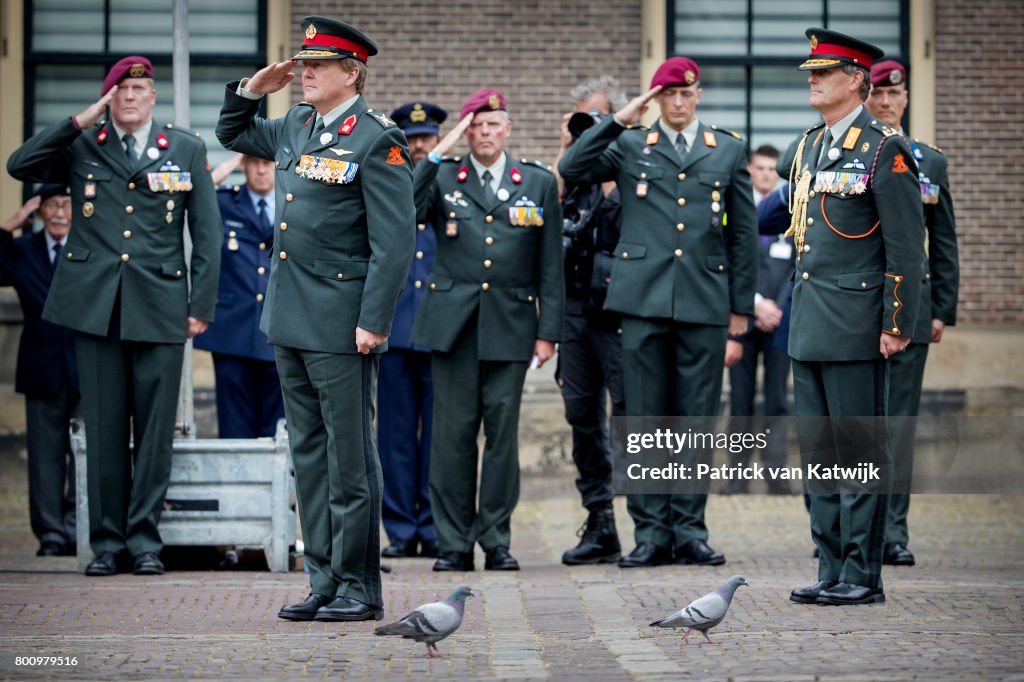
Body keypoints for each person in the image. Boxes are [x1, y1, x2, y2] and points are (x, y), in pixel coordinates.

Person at [216, 16, 414, 621]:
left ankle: (359, 587)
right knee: (308, 453)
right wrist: (254, 88)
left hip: (341, 319)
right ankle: (323, 579)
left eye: (317, 65)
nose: (304, 73)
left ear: (351, 73)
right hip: (290, 315)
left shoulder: (377, 138)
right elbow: (232, 134)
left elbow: (394, 241)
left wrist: (374, 320)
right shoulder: (297, 123)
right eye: (302, 64)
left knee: (349, 458)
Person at [7, 56, 222, 577]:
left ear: (153, 97)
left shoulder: (185, 148)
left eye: (140, 88)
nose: (130, 96)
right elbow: (20, 164)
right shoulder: (82, 146)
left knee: (154, 431)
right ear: (108, 99)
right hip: (96, 309)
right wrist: (79, 120)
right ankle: (106, 541)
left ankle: (144, 539)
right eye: (120, 90)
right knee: (102, 428)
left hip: (160, 307)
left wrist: (200, 307)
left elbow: (208, 234)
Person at [559, 57, 758, 569]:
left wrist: (740, 308)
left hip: (704, 299)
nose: (676, 103)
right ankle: (649, 531)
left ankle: (688, 529)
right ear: (654, 100)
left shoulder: (728, 149)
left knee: (695, 417)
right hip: (642, 300)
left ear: (696, 96)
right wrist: (622, 116)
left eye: (685, 94)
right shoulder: (629, 144)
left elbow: (742, 237)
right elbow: (573, 167)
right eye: (666, 95)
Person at [781, 29, 924, 606]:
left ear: (857, 80)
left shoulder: (884, 148)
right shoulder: (811, 145)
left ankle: (862, 576)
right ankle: (830, 566)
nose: (812, 79)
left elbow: (906, 248)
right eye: (811, 72)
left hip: (857, 324)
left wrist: (896, 322)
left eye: (824, 72)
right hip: (810, 323)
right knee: (819, 455)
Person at [411, 89, 563, 572]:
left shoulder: (535, 182)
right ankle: (453, 543)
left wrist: (548, 331)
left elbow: (550, 265)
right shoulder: (442, 177)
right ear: (465, 131)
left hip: (512, 326)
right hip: (453, 328)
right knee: (451, 439)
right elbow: (406, 206)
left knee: (501, 439)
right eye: (476, 126)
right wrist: (438, 150)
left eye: (493, 124)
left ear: (508, 128)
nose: (484, 134)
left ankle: (496, 539)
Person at [866, 59, 959, 567]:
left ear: (904, 99)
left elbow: (943, 241)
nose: (885, 103)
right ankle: (850, 528)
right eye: (877, 95)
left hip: (912, 309)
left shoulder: (930, 162)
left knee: (898, 425)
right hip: (855, 306)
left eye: (893, 96)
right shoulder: (851, 153)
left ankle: (892, 531)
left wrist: (942, 307)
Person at [552, 76, 627, 565]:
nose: (589, 131)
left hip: (621, 316)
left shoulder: (636, 170)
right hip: (575, 313)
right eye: (582, 122)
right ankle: (600, 521)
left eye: (598, 119)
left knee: (632, 417)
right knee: (582, 418)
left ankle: (653, 524)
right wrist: (566, 150)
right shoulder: (572, 178)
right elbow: (545, 214)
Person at [377, 101, 447, 560]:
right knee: (396, 436)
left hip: (442, 328)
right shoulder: (385, 180)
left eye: (426, 137)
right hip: (395, 328)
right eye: (412, 137)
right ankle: (401, 527)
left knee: (441, 437)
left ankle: (437, 523)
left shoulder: (454, 184)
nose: (419, 145)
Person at [0, 184, 78, 556]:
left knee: (86, 454)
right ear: (40, 211)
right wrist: (10, 225)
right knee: (45, 456)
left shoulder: (89, 246)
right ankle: (51, 534)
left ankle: (78, 528)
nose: (60, 212)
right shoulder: (23, 250)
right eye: (52, 205)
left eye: (67, 204)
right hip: (41, 367)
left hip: (87, 368)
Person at [194, 154, 285, 439]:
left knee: (277, 432)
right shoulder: (224, 201)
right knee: (234, 430)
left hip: (279, 331)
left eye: (267, 162)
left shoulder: (292, 205)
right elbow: (192, 197)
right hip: (232, 333)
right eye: (253, 162)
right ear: (244, 165)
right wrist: (226, 167)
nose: (260, 169)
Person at [724, 145, 794, 495]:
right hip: (743, 320)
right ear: (749, 170)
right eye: (760, 168)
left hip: (782, 322)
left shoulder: (791, 212)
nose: (767, 174)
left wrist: (777, 307)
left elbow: (800, 265)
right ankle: (736, 475)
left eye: (772, 169)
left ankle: (776, 473)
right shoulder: (737, 211)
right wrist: (754, 305)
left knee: (778, 399)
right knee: (740, 399)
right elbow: (729, 263)